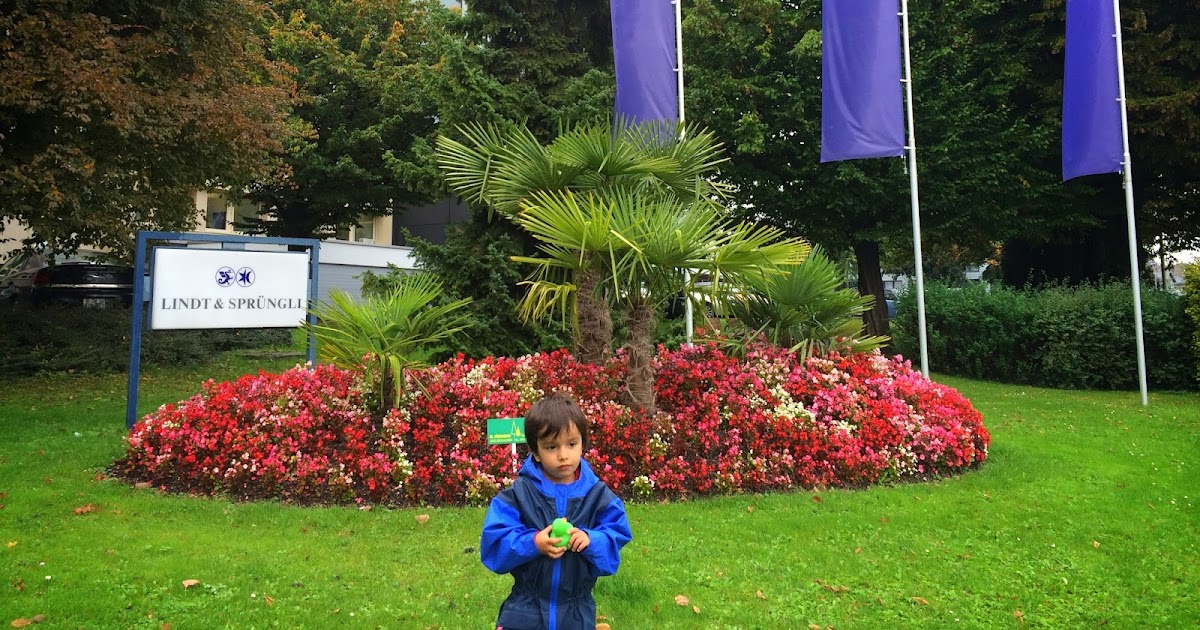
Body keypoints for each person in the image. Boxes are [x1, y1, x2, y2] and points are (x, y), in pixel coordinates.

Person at [480, 392, 633, 630]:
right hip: (524, 610)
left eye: (571, 444)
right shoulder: (519, 494)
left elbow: (617, 534)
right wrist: (533, 543)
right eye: (551, 447)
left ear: (583, 443)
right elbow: (495, 544)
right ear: (535, 451)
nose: (563, 455)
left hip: (576, 611)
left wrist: (591, 539)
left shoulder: (598, 495)